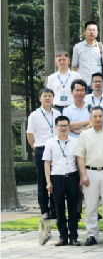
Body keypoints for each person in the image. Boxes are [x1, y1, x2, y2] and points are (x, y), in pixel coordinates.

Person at [75, 106, 103, 246]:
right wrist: (83, 175)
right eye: (95, 116)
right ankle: (91, 235)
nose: (98, 119)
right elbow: (80, 156)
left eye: (100, 116)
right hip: (90, 173)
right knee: (90, 206)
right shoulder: (84, 135)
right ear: (90, 118)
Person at [43, 116, 81, 246]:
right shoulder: (50, 143)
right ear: (56, 127)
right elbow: (47, 163)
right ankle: (63, 237)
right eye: (61, 125)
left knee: (73, 209)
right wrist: (48, 182)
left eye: (65, 125)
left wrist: (81, 178)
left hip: (72, 177)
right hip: (57, 178)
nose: (63, 128)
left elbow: (79, 161)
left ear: (69, 127)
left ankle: (74, 237)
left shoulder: (75, 141)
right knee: (59, 209)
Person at [27, 88, 60, 220]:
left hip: (56, 150)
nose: (47, 98)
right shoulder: (34, 115)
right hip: (41, 149)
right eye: (45, 96)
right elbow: (30, 134)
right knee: (42, 182)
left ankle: (55, 210)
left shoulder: (57, 113)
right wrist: (35, 147)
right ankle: (44, 210)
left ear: (53, 98)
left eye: (50, 96)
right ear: (40, 98)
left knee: (55, 180)